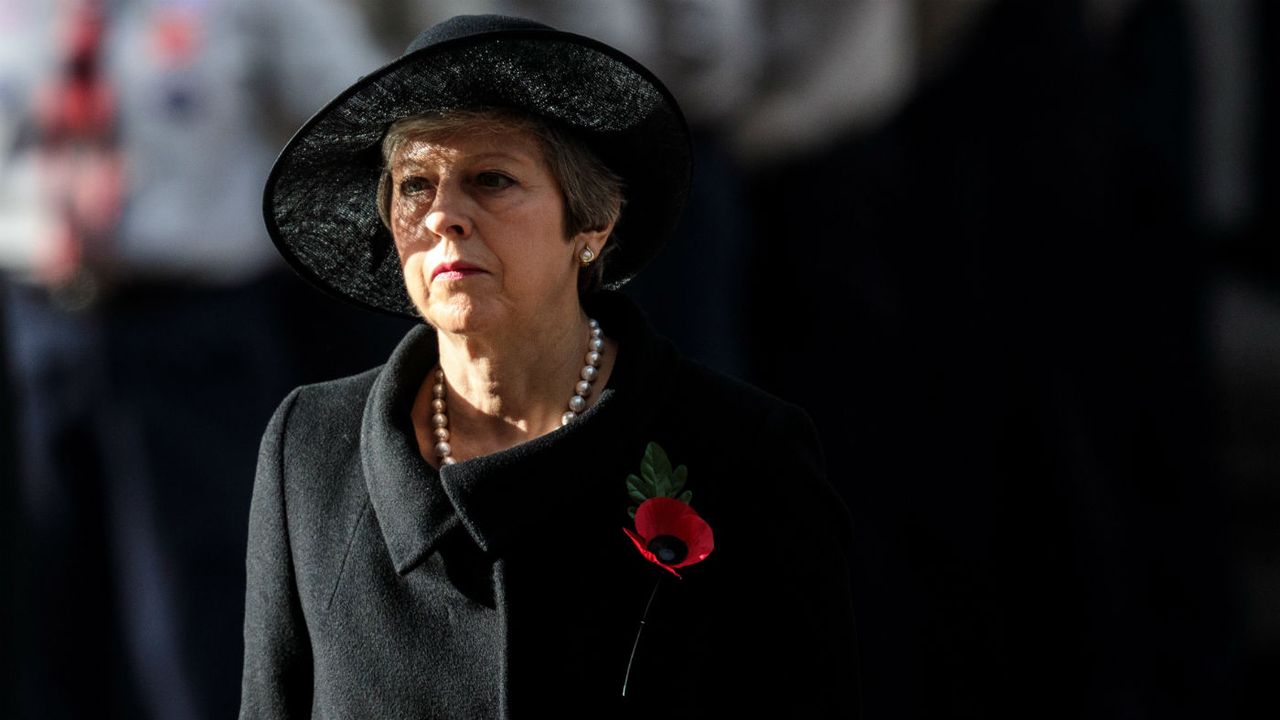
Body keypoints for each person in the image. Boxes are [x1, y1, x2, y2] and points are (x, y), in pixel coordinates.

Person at [240, 14, 860, 719]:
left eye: (492, 179)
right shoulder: (310, 449)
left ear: (592, 223)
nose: (444, 216)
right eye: (416, 185)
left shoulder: (747, 455)